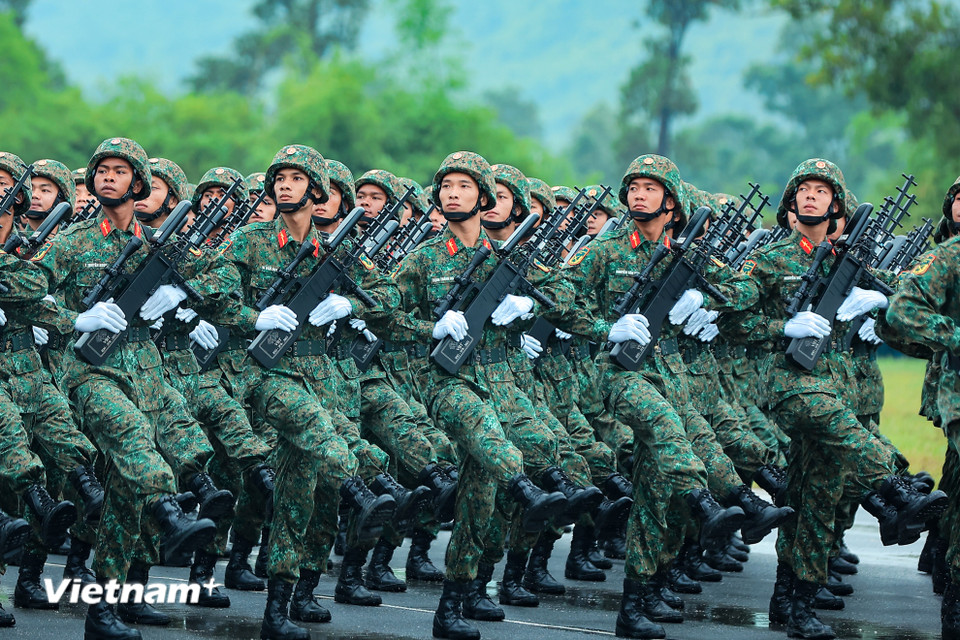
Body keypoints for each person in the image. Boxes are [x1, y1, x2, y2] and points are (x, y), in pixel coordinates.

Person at [725, 158, 946, 639]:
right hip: (782, 382)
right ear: (791, 201)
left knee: (814, 497)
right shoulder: (768, 260)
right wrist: (780, 326)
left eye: (821, 191)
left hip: (834, 385)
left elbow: (905, 304)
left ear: (836, 206)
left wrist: (881, 303)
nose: (810, 196)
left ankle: (792, 602)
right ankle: (896, 489)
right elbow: (730, 318)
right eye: (803, 189)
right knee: (845, 430)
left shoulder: (849, 261)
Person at [31, 137, 219, 640]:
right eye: (102, 170)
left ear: (138, 184)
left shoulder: (160, 245)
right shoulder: (70, 242)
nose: (109, 177)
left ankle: (107, 606)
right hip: (89, 370)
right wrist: (73, 316)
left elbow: (223, 278)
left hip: (145, 365)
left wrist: (180, 292)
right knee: (136, 444)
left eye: (120, 171)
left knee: (125, 493)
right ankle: (172, 513)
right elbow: (22, 286)